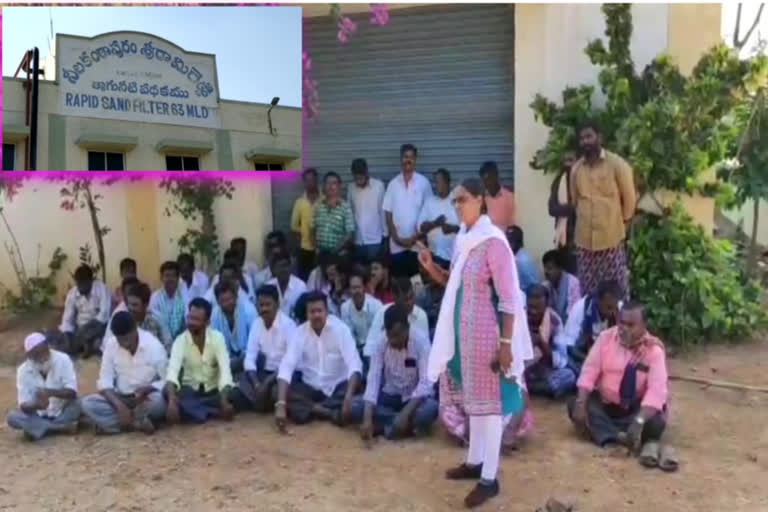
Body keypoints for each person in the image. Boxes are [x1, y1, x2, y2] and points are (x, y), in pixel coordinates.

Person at [419, 177, 532, 508]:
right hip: (464, 334)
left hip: (488, 335)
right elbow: (453, 284)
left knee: (492, 405)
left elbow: (510, 297)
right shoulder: (465, 240)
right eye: (455, 200)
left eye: (463, 199)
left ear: (481, 200)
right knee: (475, 402)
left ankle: (490, 478)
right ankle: (474, 462)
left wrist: (506, 344)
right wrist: (430, 268)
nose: (457, 205)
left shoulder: (493, 242)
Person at [568, 303, 669, 460]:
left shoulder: (654, 351)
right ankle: (616, 440)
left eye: (631, 325)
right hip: (606, 406)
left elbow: (656, 392)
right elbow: (589, 372)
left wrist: (639, 420)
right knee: (575, 404)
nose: (624, 328)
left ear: (644, 325)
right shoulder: (605, 338)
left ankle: (610, 434)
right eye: (621, 322)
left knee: (656, 422)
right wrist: (581, 404)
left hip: (635, 410)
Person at [274, 291, 363, 427]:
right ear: (307, 314)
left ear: (327, 312)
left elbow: (354, 364)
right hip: (310, 389)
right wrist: (280, 404)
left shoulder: (341, 330)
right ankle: (327, 412)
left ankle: (311, 410)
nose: (316, 315)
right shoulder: (299, 333)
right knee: (279, 391)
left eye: (319, 311)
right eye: (312, 311)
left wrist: (348, 398)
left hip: (337, 389)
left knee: (357, 394)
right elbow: (287, 365)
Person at [352, 304, 438, 441]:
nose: (393, 341)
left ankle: (385, 427)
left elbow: (425, 383)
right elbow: (373, 379)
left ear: (407, 328)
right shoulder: (381, 342)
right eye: (390, 336)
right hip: (389, 397)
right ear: (385, 331)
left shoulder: (421, 342)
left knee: (430, 409)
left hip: (413, 399)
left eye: (397, 336)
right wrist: (367, 419)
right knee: (356, 406)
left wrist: (405, 413)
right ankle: (400, 427)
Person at [571, 120, 636, 297]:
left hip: (611, 241)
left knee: (616, 293)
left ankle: (618, 325)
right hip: (585, 244)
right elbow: (576, 202)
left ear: (599, 137)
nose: (585, 141)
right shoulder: (576, 170)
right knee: (588, 295)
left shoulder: (618, 165)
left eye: (589, 136)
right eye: (582, 138)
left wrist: (619, 224)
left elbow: (629, 201)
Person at [81, 312, 167, 435]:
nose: (125, 344)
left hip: (144, 399)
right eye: (121, 340)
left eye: (127, 339)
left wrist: (150, 388)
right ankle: (137, 424)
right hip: (120, 397)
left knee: (159, 402)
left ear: (135, 330)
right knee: (88, 403)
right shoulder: (111, 345)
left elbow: (167, 380)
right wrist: (119, 406)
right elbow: (105, 381)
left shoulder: (153, 346)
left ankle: (113, 425)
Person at [165, 298, 236, 425]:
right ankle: (213, 412)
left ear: (207, 322)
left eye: (196, 320)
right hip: (190, 392)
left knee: (235, 393)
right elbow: (172, 373)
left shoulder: (217, 338)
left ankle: (201, 412)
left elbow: (225, 372)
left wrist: (224, 400)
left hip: (214, 392)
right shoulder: (180, 341)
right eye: (190, 318)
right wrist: (171, 401)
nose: (191, 323)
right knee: (170, 395)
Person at [7, 333, 80, 441]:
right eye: (36, 355)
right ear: (29, 356)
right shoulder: (22, 370)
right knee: (12, 417)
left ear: (48, 346)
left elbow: (72, 393)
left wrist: (50, 392)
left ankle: (38, 428)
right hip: (38, 415)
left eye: (44, 352)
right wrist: (36, 405)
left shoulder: (63, 359)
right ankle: (60, 428)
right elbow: (23, 405)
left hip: (63, 411)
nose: (42, 357)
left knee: (80, 404)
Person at [238, 285, 297, 412]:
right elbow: (250, 358)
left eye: (268, 304)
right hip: (262, 373)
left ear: (277, 304)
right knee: (240, 382)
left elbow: (291, 362)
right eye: (260, 305)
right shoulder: (256, 324)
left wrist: (267, 383)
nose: (264, 309)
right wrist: (257, 384)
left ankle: (261, 401)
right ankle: (262, 400)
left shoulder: (288, 326)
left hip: (281, 376)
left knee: (277, 393)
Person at [383, 144, 433, 278]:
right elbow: (388, 214)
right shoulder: (393, 184)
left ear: (415, 159)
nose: (408, 160)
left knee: (417, 285)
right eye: (405, 157)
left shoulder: (424, 183)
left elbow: (429, 213)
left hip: (417, 246)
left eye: (411, 157)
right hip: (396, 246)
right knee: (400, 285)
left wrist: (414, 238)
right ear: (401, 158)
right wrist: (397, 239)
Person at [559, 280, 623, 377]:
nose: (612, 312)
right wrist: (592, 361)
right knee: (570, 372)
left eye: (615, 308)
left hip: (609, 358)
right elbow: (569, 346)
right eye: (609, 308)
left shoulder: (620, 308)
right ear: (598, 300)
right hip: (583, 356)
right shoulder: (580, 308)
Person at [523, 285, 576, 399]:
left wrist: (542, 343)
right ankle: (539, 389)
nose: (533, 312)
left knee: (569, 375)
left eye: (538, 308)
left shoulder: (554, 320)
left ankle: (531, 388)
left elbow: (561, 361)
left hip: (545, 372)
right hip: (523, 370)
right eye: (530, 307)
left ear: (546, 306)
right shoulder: (520, 317)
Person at [363, 277, 429, 359]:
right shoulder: (382, 312)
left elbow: (425, 349)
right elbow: (370, 345)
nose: (410, 303)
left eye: (411, 297)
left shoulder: (421, 315)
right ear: (394, 298)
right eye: (405, 299)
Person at [56, 264, 111, 358]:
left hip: (98, 326)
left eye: (83, 283)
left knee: (102, 343)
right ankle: (83, 345)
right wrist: (67, 334)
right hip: (80, 329)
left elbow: (104, 315)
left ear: (91, 280)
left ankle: (87, 344)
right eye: (78, 283)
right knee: (64, 343)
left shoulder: (101, 288)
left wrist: (86, 329)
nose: (80, 287)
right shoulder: (72, 294)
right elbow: (67, 319)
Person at [210, 280, 257, 375]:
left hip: (248, 355)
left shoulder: (249, 311)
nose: (227, 303)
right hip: (227, 357)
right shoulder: (215, 313)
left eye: (230, 299)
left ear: (236, 297)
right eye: (223, 301)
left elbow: (255, 343)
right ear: (218, 302)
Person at [418, 168, 460, 268]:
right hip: (434, 257)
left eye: (439, 182)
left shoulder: (457, 201)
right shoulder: (430, 202)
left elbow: (468, 229)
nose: (436, 186)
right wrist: (435, 223)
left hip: (455, 258)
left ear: (447, 182)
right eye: (435, 182)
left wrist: (453, 229)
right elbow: (420, 228)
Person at [349, 158, 386, 263]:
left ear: (366, 172)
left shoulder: (379, 186)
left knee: (375, 272)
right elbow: (350, 214)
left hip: (375, 240)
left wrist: (385, 236)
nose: (359, 177)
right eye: (356, 174)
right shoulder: (351, 188)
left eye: (361, 173)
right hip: (358, 241)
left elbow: (383, 212)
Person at [340, 269, 383, 357]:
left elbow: (379, 334)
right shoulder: (344, 307)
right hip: (356, 350)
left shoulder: (377, 305)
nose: (356, 291)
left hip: (375, 350)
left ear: (364, 288)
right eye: (353, 288)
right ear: (349, 290)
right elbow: (349, 336)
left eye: (358, 287)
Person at [548, 150, 579, 274]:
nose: (568, 164)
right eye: (565, 161)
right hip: (563, 239)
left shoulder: (583, 181)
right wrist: (572, 207)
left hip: (580, 240)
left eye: (571, 160)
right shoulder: (559, 181)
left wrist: (569, 208)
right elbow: (552, 209)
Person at [312, 171, 356, 255]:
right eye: (328, 183)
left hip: (338, 254)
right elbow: (312, 229)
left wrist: (334, 251)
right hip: (320, 254)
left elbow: (350, 234)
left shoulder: (345, 207)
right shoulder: (317, 206)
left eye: (334, 183)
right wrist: (316, 248)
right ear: (324, 186)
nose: (331, 186)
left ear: (339, 186)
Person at [291, 168, 322, 281]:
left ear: (316, 180)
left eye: (312, 180)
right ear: (303, 182)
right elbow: (293, 226)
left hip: (323, 247)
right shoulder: (299, 202)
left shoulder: (324, 199)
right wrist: (305, 232)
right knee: (304, 278)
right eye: (307, 180)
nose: (310, 183)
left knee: (321, 279)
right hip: (305, 248)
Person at [124, 282, 172, 350]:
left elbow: (168, 345)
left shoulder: (157, 319)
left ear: (145, 305)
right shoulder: (124, 319)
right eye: (129, 304)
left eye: (134, 305)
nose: (130, 308)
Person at [149, 261, 187, 342]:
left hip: (181, 340)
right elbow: (153, 322)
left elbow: (187, 320)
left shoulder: (184, 296)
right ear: (161, 278)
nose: (170, 279)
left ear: (178, 278)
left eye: (173, 276)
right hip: (160, 341)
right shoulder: (155, 297)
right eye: (167, 276)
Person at [542, 248, 581, 323]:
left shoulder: (573, 283)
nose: (546, 272)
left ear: (560, 268)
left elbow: (573, 313)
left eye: (550, 268)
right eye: (545, 268)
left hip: (569, 325)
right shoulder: (546, 285)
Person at [268, 250, 308, 320]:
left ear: (290, 267)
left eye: (285, 266)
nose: (283, 270)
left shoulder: (301, 287)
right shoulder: (269, 286)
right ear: (273, 269)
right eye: (279, 267)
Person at [480, 161, 515, 231]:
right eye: (485, 179)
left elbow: (512, 224)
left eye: (490, 178)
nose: (488, 182)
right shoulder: (481, 199)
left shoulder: (508, 197)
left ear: (496, 176)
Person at [506, 226, 541, 293]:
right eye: (506, 240)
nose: (507, 244)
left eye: (510, 241)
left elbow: (533, 286)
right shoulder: (517, 256)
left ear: (518, 242)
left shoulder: (522, 260)